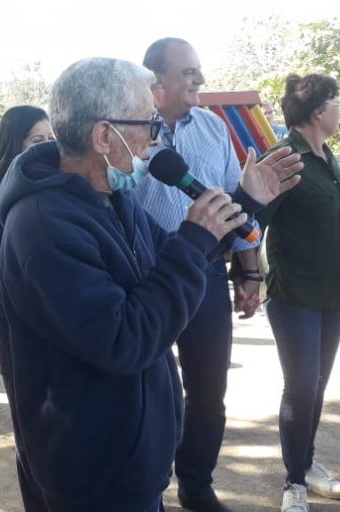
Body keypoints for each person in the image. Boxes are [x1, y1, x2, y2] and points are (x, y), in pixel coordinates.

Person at [0, 57, 304, 511]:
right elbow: (125, 340)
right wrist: (195, 234)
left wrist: (243, 202)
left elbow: (181, 261)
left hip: (133, 459)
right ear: (104, 135)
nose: (157, 141)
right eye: (148, 124)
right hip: (92, 471)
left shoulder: (113, 199)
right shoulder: (43, 227)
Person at [135, 37, 262, 512]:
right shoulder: (127, 133)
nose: (200, 81)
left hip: (205, 275)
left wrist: (250, 273)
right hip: (142, 279)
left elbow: (235, 205)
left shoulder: (212, 127)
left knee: (209, 391)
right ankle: (148, 488)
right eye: (189, 72)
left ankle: (196, 483)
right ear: (156, 84)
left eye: (198, 71)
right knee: (147, 389)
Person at [256, 74, 340, 512]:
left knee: (319, 383)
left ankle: (306, 464)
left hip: (334, 290)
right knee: (301, 387)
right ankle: (293, 483)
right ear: (317, 112)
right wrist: (248, 279)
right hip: (294, 292)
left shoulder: (326, 156)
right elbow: (253, 220)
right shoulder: (284, 157)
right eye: (337, 102)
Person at [0, 104, 54, 511]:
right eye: (36, 142)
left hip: (56, 322)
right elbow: (0, 268)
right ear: (14, 145)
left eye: (51, 140)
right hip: (19, 323)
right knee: (30, 425)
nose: (47, 149)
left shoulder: (59, 189)